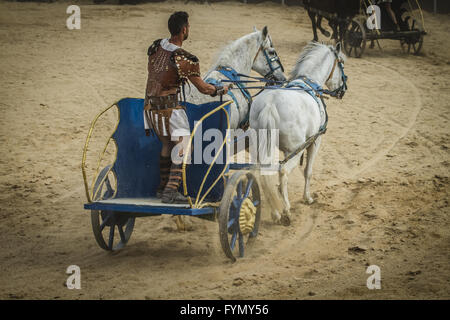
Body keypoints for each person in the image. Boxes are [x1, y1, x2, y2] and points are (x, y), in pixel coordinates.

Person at [143, 11, 229, 204]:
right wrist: (220, 89)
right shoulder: (184, 58)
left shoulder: (156, 47)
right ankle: (171, 191)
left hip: (150, 108)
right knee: (183, 148)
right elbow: (204, 88)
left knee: (167, 144)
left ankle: (161, 188)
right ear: (184, 30)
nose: (188, 29)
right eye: (188, 26)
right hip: (170, 110)